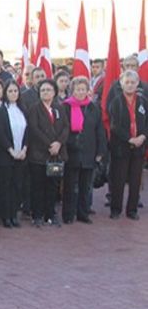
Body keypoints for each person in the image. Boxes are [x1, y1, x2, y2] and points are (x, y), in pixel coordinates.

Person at [61, 77, 106, 224]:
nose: (81, 92)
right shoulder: (65, 107)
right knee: (70, 185)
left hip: (89, 152)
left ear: (88, 91)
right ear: (72, 91)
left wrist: (100, 152)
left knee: (85, 186)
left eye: (83, 89)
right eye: (77, 89)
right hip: (71, 152)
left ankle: (83, 213)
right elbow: (62, 129)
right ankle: (68, 214)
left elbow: (100, 130)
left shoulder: (93, 108)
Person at [26, 79, 69, 227]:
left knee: (53, 185)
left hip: (56, 156)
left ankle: (50, 214)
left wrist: (58, 143)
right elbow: (34, 129)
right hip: (39, 155)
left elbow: (65, 127)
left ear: (54, 92)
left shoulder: (59, 108)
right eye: (43, 90)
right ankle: (37, 215)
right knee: (38, 185)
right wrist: (50, 144)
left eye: (49, 90)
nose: (46, 92)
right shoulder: (34, 109)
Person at [107, 70, 147, 220]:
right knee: (119, 179)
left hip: (139, 147)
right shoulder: (116, 101)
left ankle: (132, 210)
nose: (130, 85)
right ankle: (116, 209)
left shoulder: (143, 101)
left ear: (137, 83)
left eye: (132, 82)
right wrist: (130, 138)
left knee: (136, 180)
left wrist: (143, 136)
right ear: (121, 84)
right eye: (127, 82)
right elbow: (114, 125)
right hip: (121, 147)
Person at [0, 81, 29, 228]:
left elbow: (28, 131)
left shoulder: (23, 110)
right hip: (6, 156)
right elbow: (0, 133)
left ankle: (14, 214)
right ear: (5, 94)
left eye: (15, 91)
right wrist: (11, 150)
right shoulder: (1, 111)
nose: (13, 94)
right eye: (10, 91)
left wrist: (24, 149)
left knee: (17, 186)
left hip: (21, 155)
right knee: (5, 186)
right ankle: (6, 216)